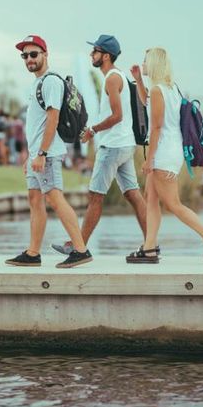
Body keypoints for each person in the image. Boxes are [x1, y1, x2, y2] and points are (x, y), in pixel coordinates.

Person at [125, 47, 203, 265]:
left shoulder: (159, 91)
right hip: (171, 150)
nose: (142, 64)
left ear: (154, 63)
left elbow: (156, 127)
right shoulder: (170, 88)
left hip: (163, 152)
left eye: (145, 61)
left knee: (173, 204)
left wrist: (149, 159)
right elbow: (147, 103)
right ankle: (149, 248)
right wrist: (139, 81)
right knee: (151, 198)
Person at [52, 34, 147, 256]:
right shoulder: (118, 76)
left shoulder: (112, 79)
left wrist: (93, 130)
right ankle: (151, 244)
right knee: (133, 195)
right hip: (125, 145)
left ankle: (78, 247)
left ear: (105, 56)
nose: (91, 54)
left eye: (95, 51)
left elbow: (117, 116)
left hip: (112, 147)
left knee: (95, 196)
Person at [5, 35, 92, 268]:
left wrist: (42, 154)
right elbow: (37, 124)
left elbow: (53, 118)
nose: (29, 59)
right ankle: (33, 253)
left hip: (48, 153)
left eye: (34, 54)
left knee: (54, 197)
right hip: (37, 154)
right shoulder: (37, 83)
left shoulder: (51, 81)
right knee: (35, 199)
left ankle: (80, 249)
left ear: (45, 54)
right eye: (25, 55)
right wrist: (30, 155)